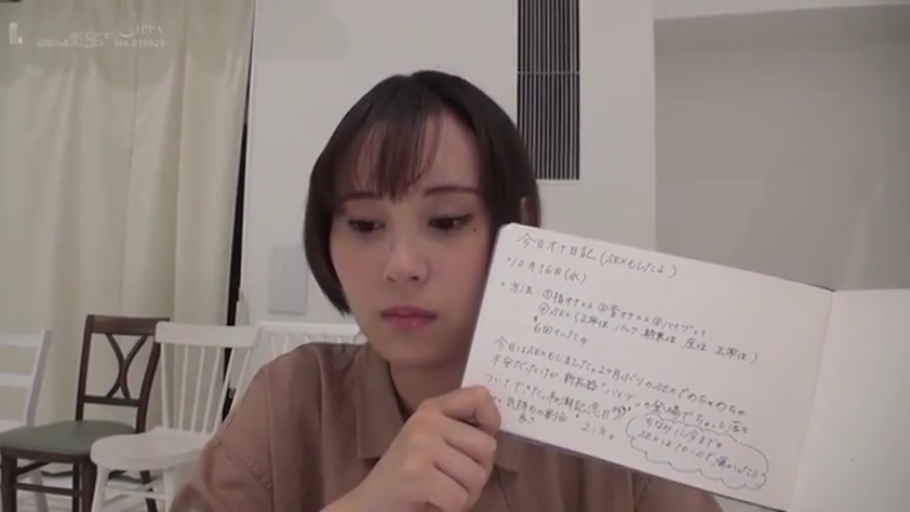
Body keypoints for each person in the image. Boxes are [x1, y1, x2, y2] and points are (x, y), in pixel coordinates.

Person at [170, 70, 722, 512]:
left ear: (520, 229)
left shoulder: (612, 429)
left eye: (447, 221)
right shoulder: (291, 402)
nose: (402, 266)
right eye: (365, 224)